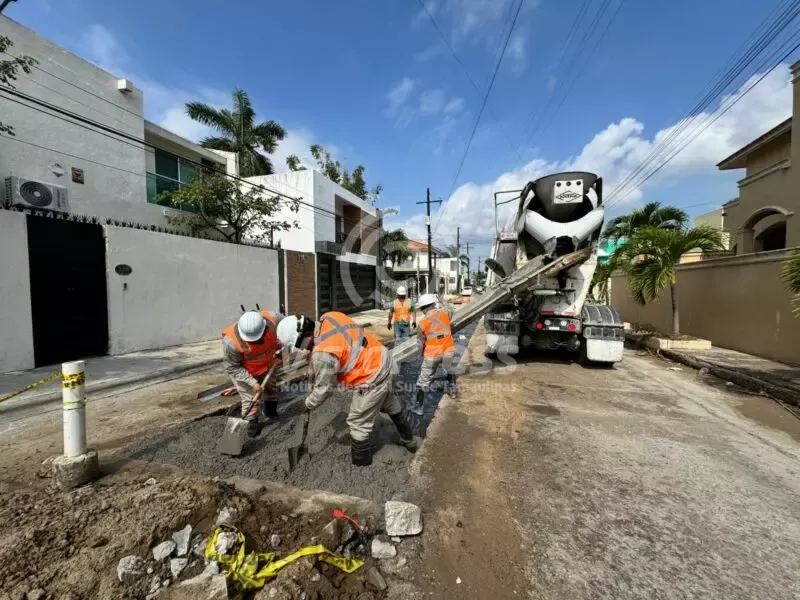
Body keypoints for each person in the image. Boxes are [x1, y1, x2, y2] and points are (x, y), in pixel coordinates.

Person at [276, 311, 419, 466]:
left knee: (358, 422)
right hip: (386, 361)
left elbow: (325, 389)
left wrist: (308, 403)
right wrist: (312, 366)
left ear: (302, 338)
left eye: (299, 346)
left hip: (372, 378)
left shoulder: (323, 355)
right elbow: (325, 342)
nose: (301, 350)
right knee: (389, 402)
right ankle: (409, 440)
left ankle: (361, 465)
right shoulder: (329, 317)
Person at [221, 310, 283, 438]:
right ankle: (251, 424)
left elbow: (287, 329)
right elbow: (233, 367)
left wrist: (281, 348)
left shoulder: (274, 320)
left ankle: (270, 412)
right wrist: (252, 382)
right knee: (250, 399)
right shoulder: (231, 343)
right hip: (245, 372)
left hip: (268, 364)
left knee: (271, 389)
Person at [414, 293, 458, 413]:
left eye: (421, 309)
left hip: (431, 355)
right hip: (448, 350)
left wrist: (421, 354)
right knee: (450, 370)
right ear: (433, 304)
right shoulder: (444, 314)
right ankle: (453, 392)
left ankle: (419, 408)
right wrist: (443, 301)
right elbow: (450, 309)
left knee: (423, 381)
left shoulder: (422, 323)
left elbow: (420, 343)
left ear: (423, 308)